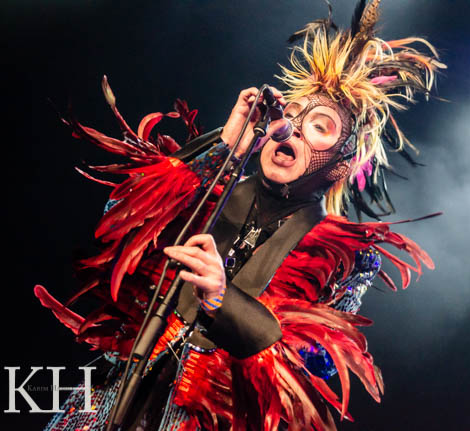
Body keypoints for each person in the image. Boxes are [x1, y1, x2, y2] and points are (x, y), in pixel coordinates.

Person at [35, 1, 445, 429]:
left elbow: (316, 362)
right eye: (289, 114)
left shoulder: (347, 256)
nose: (293, 128)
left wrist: (222, 300)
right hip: (109, 399)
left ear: (340, 166)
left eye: (319, 126)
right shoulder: (210, 189)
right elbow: (120, 220)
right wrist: (224, 149)